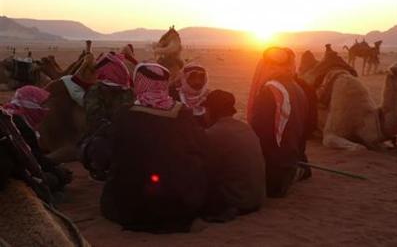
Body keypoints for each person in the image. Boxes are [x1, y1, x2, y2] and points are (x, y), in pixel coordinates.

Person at [86, 63, 209, 232]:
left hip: (131, 206)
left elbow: (106, 153)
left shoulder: (126, 115)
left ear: (139, 83)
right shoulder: (183, 114)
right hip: (180, 205)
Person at [248, 47, 311, 198]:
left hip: (274, 175)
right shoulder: (298, 88)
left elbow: (259, 134)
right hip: (291, 165)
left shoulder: (270, 91)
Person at [203, 90, 265, 220]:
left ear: (212, 110)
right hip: (256, 198)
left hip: (236, 202)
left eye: (206, 109)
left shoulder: (214, 133)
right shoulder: (245, 128)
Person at [1, 86, 72, 197]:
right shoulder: (16, 123)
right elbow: (30, 157)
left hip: (12, 168)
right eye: (41, 104)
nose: (45, 109)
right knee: (56, 178)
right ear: (30, 103)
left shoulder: (12, 117)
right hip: (13, 173)